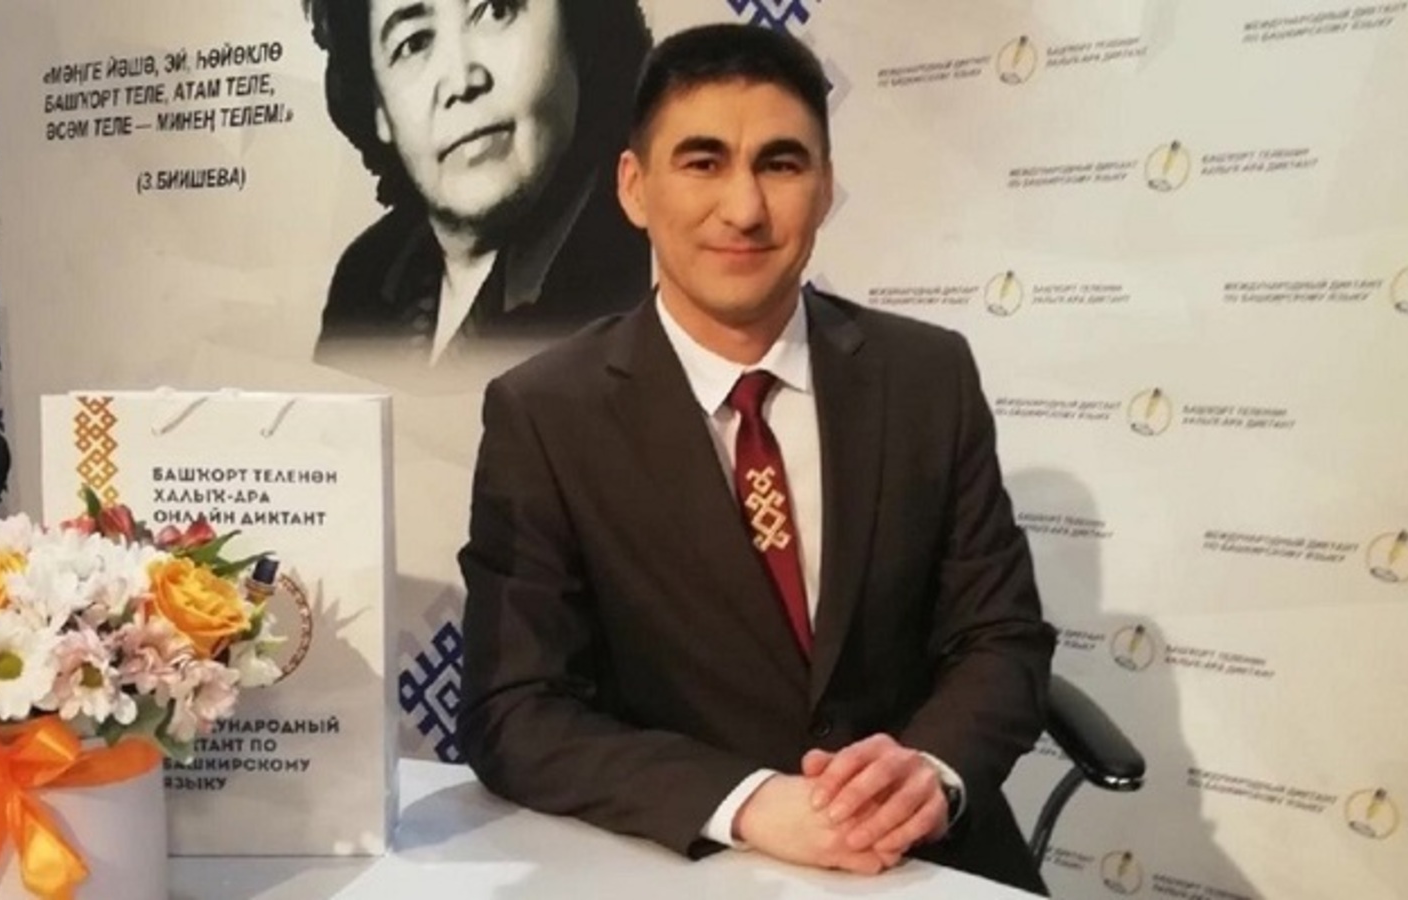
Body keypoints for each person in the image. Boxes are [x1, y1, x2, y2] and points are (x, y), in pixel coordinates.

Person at [457, 23, 1055, 895]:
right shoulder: (546, 414)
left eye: (781, 164)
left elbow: (1000, 637)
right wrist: (748, 801)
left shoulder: (928, 376)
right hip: (694, 865)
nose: (743, 208)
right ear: (634, 187)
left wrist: (931, 772)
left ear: (825, 188)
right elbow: (514, 709)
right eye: (702, 162)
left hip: (930, 859)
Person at [306, 0, 652, 373]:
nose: (461, 81)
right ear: (379, 108)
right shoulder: (366, 278)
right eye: (414, 43)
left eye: (496, 10)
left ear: (576, 26)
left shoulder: (643, 269)